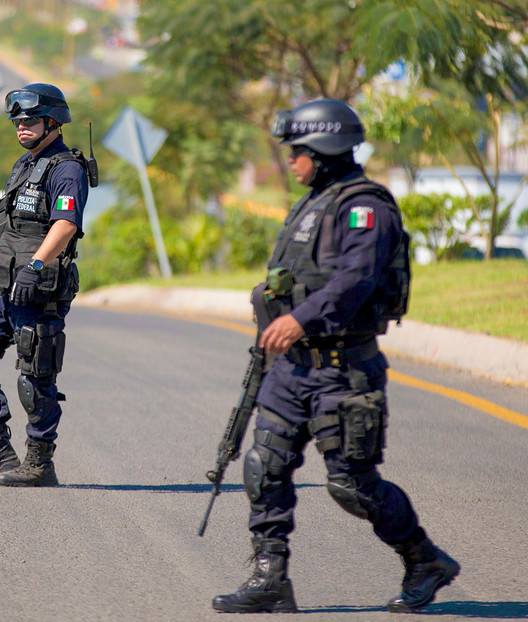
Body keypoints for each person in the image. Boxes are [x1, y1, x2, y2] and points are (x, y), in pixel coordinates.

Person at [212, 99, 458, 613]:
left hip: (344, 371)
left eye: (298, 151)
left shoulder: (366, 207)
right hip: (291, 368)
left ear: (324, 151)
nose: (291, 161)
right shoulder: (313, 202)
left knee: (351, 485)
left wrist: (300, 319)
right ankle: (270, 577)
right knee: (264, 466)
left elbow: (355, 280)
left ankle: (424, 559)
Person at [0, 83, 92, 487]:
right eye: (16, 120)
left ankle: (39, 463)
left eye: (29, 120)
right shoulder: (24, 165)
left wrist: (35, 265)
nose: (21, 126)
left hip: (37, 290)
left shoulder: (66, 168)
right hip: (3, 290)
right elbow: (10, 219)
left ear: (53, 122)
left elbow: (65, 224)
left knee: (35, 378)